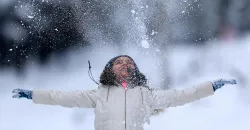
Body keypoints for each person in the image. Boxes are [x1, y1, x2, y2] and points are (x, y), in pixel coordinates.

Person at [12, 55, 237, 130]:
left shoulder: (146, 94)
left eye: (129, 62)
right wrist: (33, 94)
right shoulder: (98, 93)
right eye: (118, 62)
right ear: (110, 69)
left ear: (135, 70)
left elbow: (180, 95)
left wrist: (212, 86)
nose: (124, 65)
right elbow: (62, 97)